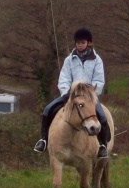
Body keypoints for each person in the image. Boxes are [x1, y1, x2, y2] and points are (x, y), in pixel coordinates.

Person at [33, 28, 110, 159]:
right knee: (47, 109)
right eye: (78, 42)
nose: (80, 45)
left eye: (83, 42)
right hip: (71, 96)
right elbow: (64, 78)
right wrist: (66, 93)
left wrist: (91, 95)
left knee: (102, 116)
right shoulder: (69, 60)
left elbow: (99, 80)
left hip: (89, 97)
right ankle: (44, 140)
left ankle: (102, 145)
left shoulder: (97, 60)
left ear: (88, 43)